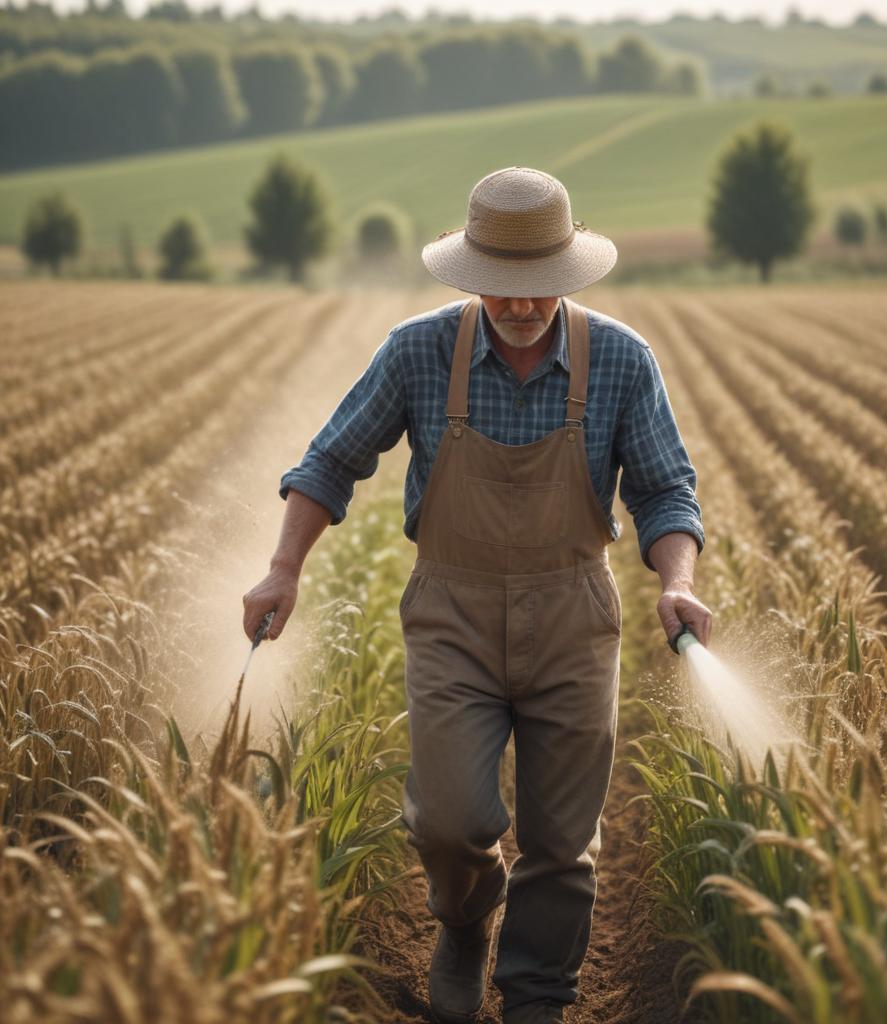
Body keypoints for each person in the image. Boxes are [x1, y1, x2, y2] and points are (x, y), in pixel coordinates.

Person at [242, 166, 711, 1024]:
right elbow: (328, 462)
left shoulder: (620, 360)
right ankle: (464, 923)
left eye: (539, 290)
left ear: (567, 277)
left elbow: (666, 491)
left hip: (573, 618)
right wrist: (284, 567)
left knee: (563, 843)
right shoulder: (419, 350)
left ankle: (536, 993)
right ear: (472, 274)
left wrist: (677, 582)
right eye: (502, 289)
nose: (522, 306)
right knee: (450, 822)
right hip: (451, 617)